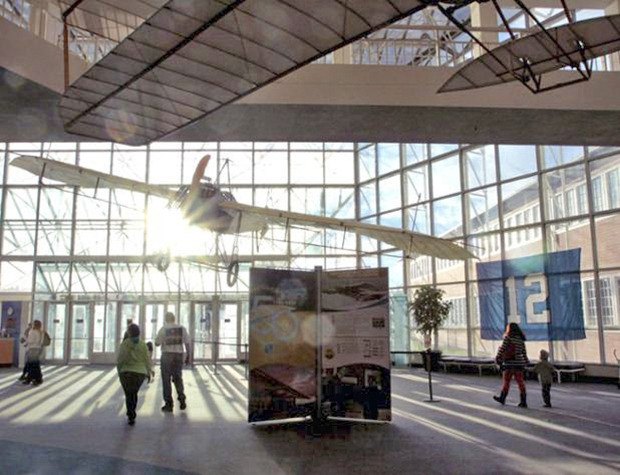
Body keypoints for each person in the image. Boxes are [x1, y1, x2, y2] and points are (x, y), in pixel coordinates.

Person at [155, 312, 191, 412]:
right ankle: (182, 398)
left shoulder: (163, 329)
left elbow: (157, 343)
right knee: (178, 378)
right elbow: (187, 343)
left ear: (166, 319)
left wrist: (159, 341)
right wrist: (188, 355)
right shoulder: (181, 328)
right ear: (174, 319)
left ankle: (169, 404)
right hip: (179, 355)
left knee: (166, 380)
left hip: (166, 355)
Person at [117, 323, 151, 426]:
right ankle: (132, 413)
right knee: (134, 393)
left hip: (126, 372)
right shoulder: (143, 345)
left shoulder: (125, 344)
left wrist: (119, 372)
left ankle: (130, 413)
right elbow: (146, 360)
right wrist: (148, 372)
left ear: (129, 333)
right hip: (139, 373)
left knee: (128, 394)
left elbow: (120, 360)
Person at [493, 322, 529, 408]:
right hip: (519, 363)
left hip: (509, 363)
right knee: (520, 382)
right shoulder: (521, 339)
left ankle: (503, 397)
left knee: (507, 381)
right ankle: (523, 401)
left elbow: (503, 348)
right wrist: (526, 360)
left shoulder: (508, 338)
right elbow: (523, 352)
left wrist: (498, 357)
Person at [23, 320, 44, 386]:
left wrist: (26, 341)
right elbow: (40, 341)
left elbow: (30, 340)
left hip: (32, 349)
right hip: (37, 349)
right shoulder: (40, 332)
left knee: (32, 365)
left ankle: (35, 379)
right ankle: (33, 379)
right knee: (35, 365)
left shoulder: (32, 332)